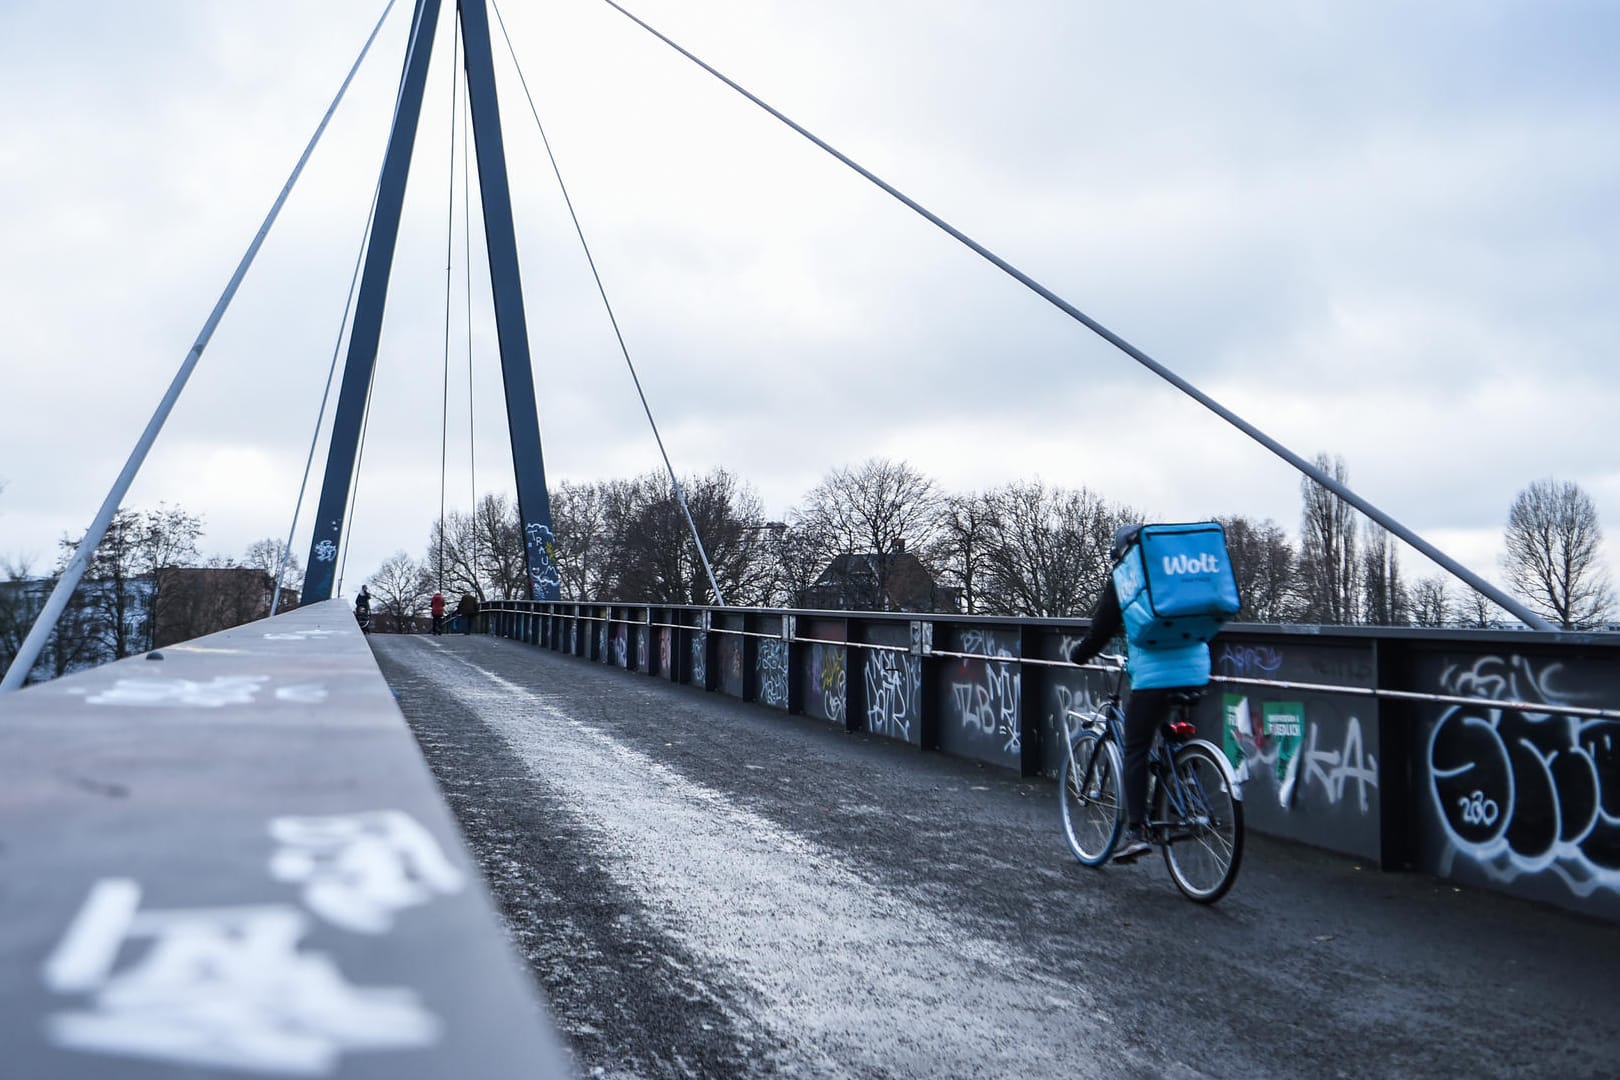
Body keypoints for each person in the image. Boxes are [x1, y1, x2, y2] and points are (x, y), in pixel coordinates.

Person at [1067, 524, 1215, 864]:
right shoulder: (1176, 574)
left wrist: (1078, 654)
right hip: (1195, 670)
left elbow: (1099, 632)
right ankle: (1185, 789)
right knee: (1169, 735)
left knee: (1135, 747)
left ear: (1119, 555)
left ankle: (1137, 832)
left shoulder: (1126, 579)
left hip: (1153, 678)